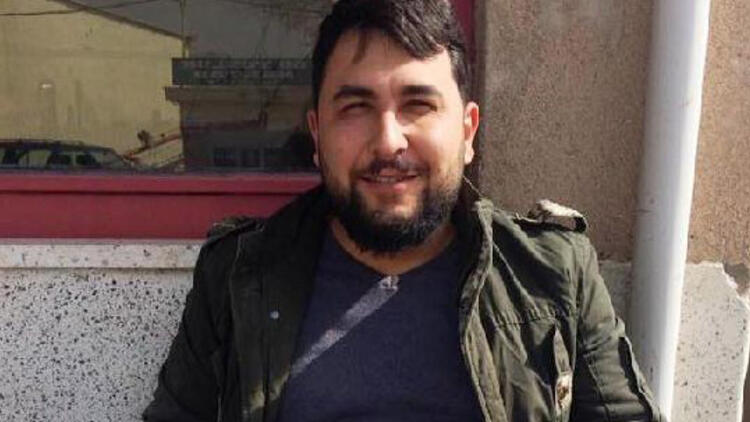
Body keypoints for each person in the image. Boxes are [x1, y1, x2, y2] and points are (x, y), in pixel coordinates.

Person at [144, 0, 663, 421]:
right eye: (356, 107)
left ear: (467, 131)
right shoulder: (238, 274)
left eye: (418, 104)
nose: (388, 140)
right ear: (317, 136)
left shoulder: (552, 275)